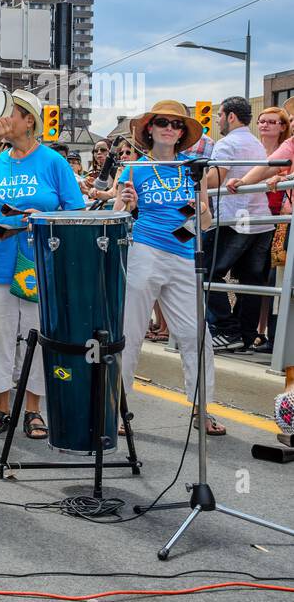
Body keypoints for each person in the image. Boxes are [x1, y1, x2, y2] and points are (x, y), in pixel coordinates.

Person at [0, 89, 84, 439]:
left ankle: (33, 409)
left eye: (9, 112)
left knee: (34, 334)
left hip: (37, 261)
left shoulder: (53, 162)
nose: (1, 119)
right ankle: (1, 407)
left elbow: (75, 212)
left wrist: (43, 215)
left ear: (28, 119)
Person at [116, 100, 222, 435]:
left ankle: (201, 409)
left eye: (177, 125)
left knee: (195, 334)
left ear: (182, 135)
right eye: (163, 122)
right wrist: (127, 204)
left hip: (183, 255)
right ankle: (117, 409)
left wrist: (195, 211)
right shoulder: (135, 169)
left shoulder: (193, 168)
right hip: (145, 251)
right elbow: (118, 214)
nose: (170, 129)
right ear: (150, 128)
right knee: (129, 333)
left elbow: (205, 221)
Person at [198, 96, 272, 354]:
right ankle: (246, 335)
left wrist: (195, 178)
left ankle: (226, 330)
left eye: (220, 115)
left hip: (234, 218)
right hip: (261, 219)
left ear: (230, 116)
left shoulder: (226, 143)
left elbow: (216, 179)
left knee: (205, 271)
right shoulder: (255, 143)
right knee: (251, 280)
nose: (217, 120)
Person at [254, 107, 291, 349]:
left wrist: (283, 177)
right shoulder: (257, 151)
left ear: (282, 126)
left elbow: (280, 171)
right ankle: (265, 332)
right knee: (267, 277)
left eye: (271, 121)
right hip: (262, 220)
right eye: (262, 121)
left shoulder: (286, 149)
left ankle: (274, 337)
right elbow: (257, 172)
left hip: (280, 217)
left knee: (274, 278)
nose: (265, 125)